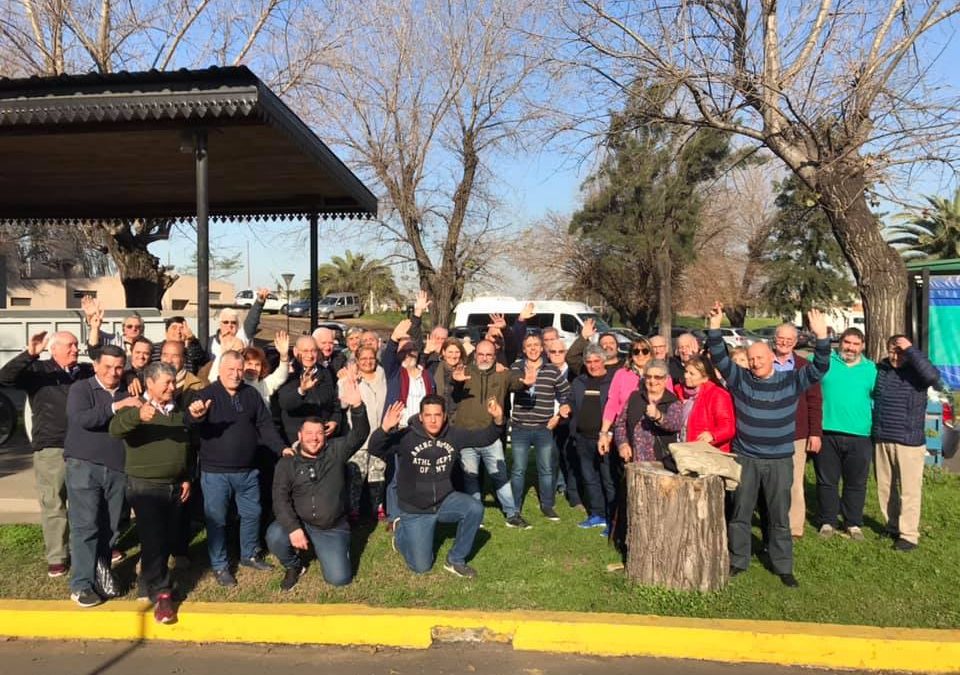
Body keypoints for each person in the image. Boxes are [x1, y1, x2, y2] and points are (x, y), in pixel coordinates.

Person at [705, 302, 831, 587]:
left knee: (778, 516)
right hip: (746, 458)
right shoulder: (740, 380)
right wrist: (714, 326)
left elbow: (821, 367)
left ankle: (783, 566)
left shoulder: (791, 381)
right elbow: (718, 358)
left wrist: (822, 337)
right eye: (751, 359)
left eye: (760, 358)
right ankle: (739, 560)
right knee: (741, 513)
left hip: (779, 460)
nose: (755, 363)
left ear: (772, 358)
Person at [367, 394, 505, 578]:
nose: (433, 420)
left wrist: (497, 419)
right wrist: (384, 429)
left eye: (437, 415)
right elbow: (375, 448)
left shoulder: (453, 435)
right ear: (421, 416)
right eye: (428, 415)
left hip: (444, 499)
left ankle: (456, 560)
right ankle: (401, 532)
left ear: (445, 416)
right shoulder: (406, 437)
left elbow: (484, 438)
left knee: (474, 508)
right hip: (415, 508)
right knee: (421, 567)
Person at [185, 351, 292, 587]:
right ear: (220, 371)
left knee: (252, 514)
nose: (235, 374)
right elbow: (190, 419)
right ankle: (220, 565)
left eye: (238, 370)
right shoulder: (206, 395)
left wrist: (281, 448)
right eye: (230, 370)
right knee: (218, 520)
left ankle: (249, 554)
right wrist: (196, 415)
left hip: (247, 470)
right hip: (215, 473)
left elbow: (265, 426)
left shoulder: (251, 394)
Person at [0, 331, 94, 578]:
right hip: (52, 447)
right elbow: (5, 378)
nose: (76, 349)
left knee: (83, 504)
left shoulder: (84, 372)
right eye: (70, 345)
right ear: (54, 349)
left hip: (84, 446)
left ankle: (83, 552)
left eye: (76, 344)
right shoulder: (39, 371)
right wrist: (30, 353)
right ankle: (57, 557)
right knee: (54, 502)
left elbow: (106, 367)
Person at [109, 362, 193, 624]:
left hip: (174, 485)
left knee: (163, 539)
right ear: (150, 384)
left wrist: (185, 477)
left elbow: (184, 447)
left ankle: (147, 586)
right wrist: (137, 415)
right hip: (145, 486)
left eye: (173, 382)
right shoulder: (136, 406)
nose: (172, 387)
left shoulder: (175, 410)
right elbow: (115, 428)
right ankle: (163, 596)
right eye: (166, 383)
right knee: (154, 538)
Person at [267, 381, 370, 590]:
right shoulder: (286, 463)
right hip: (301, 522)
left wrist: (358, 406)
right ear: (300, 436)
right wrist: (294, 528)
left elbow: (359, 434)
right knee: (275, 535)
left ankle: (332, 548)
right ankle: (294, 565)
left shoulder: (335, 451)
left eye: (319, 433)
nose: (314, 438)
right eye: (309, 433)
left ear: (325, 435)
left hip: (331, 527)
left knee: (339, 579)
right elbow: (280, 499)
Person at [64, 345, 142, 607]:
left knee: (110, 528)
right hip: (84, 466)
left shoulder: (128, 390)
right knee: (86, 526)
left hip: (118, 469)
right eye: (107, 366)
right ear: (95, 365)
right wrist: (116, 406)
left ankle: (101, 573)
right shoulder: (82, 389)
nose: (113, 372)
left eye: (119, 367)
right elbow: (81, 419)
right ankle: (81, 585)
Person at [450, 339, 532, 528]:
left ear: (495, 356)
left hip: (490, 436)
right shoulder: (465, 372)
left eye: (489, 354)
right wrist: (456, 380)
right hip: (467, 436)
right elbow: (454, 387)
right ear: (475, 355)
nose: (484, 358)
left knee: (500, 476)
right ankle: (474, 514)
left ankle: (512, 514)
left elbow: (517, 379)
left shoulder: (502, 374)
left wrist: (526, 383)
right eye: (481, 354)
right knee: (470, 477)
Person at [872, 335, 939, 551]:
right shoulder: (882, 369)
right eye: (893, 350)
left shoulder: (918, 372)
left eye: (901, 351)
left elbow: (933, 376)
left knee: (909, 490)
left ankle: (909, 535)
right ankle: (892, 526)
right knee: (885, 487)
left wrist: (909, 349)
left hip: (909, 441)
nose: (896, 355)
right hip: (883, 437)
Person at [814, 327, 877, 541]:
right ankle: (828, 521)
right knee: (827, 481)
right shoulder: (824, 362)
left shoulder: (871, 370)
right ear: (839, 342)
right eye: (847, 342)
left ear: (863, 346)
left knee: (856, 482)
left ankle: (853, 523)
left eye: (855, 344)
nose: (850, 347)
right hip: (827, 431)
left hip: (860, 435)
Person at [509, 334, 572, 521]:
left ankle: (547, 505)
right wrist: (523, 383)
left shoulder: (552, 370)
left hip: (544, 428)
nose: (533, 348)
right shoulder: (516, 368)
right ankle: (515, 507)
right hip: (520, 427)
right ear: (524, 349)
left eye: (536, 345)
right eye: (529, 345)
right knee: (518, 469)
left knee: (545, 469)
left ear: (542, 348)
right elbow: (509, 387)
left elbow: (567, 394)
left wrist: (559, 413)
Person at [771, 323, 823, 539]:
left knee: (794, 481)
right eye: (781, 338)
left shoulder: (803, 366)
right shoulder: (763, 362)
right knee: (772, 481)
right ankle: (773, 522)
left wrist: (815, 432)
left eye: (789, 340)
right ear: (775, 339)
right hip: (767, 431)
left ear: (796, 341)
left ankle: (794, 527)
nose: (784, 343)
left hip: (796, 432)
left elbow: (814, 400)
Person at [339, 346, 389, 521]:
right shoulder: (350, 378)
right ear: (357, 361)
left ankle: (378, 508)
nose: (368, 362)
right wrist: (349, 382)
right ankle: (353, 510)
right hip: (358, 438)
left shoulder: (383, 376)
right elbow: (342, 405)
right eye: (363, 359)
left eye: (371, 358)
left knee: (378, 474)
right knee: (356, 476)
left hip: (380, 435)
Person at [570, 345, 616, 531]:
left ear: (603, 361)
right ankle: (598, 514)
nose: (593, 365)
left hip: (604, 439)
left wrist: (610, 433)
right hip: (582, 438)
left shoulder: (613, 381)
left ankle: (612, 519)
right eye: (588, 362)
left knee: (608, 480)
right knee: (590, 478)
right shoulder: (579, 382)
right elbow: (571, 401)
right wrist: (567, 407)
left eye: (596, 361)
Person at [613, 359, 683, 464]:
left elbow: (675, 424)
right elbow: (620, 424)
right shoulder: (635, 397)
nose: (652, 381)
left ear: (666, 379)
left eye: (657, 377)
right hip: (634, 462)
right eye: (648, 377)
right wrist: (622, 443)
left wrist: (658, 416)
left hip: (662, 464)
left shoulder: (673, 402)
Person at [276, 335, 340, 443]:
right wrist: (301, 390)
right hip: (296, 439)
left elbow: (334, 403)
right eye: (305, 351)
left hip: (322, 438)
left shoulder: (325, 372)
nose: (309, 355)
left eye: (313, 351)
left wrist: (335, 420)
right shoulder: (288, 373)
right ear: (296, 352)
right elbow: (284, 403)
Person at [680, 356, 736, 452]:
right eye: (686, 371)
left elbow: (728, 427)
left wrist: (713, 435)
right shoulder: (680, 392)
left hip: (708, 452)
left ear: (705, 377)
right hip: (685, 450)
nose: (686, 376)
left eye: (691, 374)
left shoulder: (718, 395)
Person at [205, 289, 267, 361]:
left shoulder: (242, 336)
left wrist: (259, 302)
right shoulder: (211, 342)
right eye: (226, 322)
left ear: (237, 325)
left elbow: (252, 320)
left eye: (233, 322)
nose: (230, 325)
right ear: (220, 324)